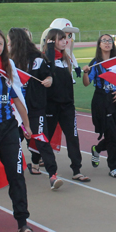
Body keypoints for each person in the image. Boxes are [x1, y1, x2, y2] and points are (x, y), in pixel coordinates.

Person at [0, 28, 39, 232]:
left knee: (17, 175)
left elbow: (17, 97)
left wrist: (27, 125)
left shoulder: (7, 68)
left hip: (9, 129)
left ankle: (23, 223)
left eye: (0, 44)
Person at [8, 27, 62, 190]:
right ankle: (5, 173)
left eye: (9, 41)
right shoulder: (7, 61)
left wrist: (49, 79)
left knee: (42, 141)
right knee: (11, 144)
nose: (7, 44)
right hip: (15, 111)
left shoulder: (37, 59)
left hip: (35, 109)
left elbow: (48, 73)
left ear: (16, 41)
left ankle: (53, 176)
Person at [43, 28, 91, 183]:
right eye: (61, 39)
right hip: (51, 106)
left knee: (73, 137)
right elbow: (48, 69)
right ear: (51, 41)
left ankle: (76, 169)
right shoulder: (45, 58)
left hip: (67, 106)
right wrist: (50, 49)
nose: (65, 41)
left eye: (65, 38)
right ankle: (39, 163)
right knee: (46, 137)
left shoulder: (67, 59)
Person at [82, 34, 116, 178]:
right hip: (101, 100)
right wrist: (86, 73)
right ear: (99, 44)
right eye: (104, 41)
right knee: (111, 134)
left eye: (109, 40)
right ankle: (113, 166)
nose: (107, 43)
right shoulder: (96, 63)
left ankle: (97, 149)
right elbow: (87, 83)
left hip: (115, 99)